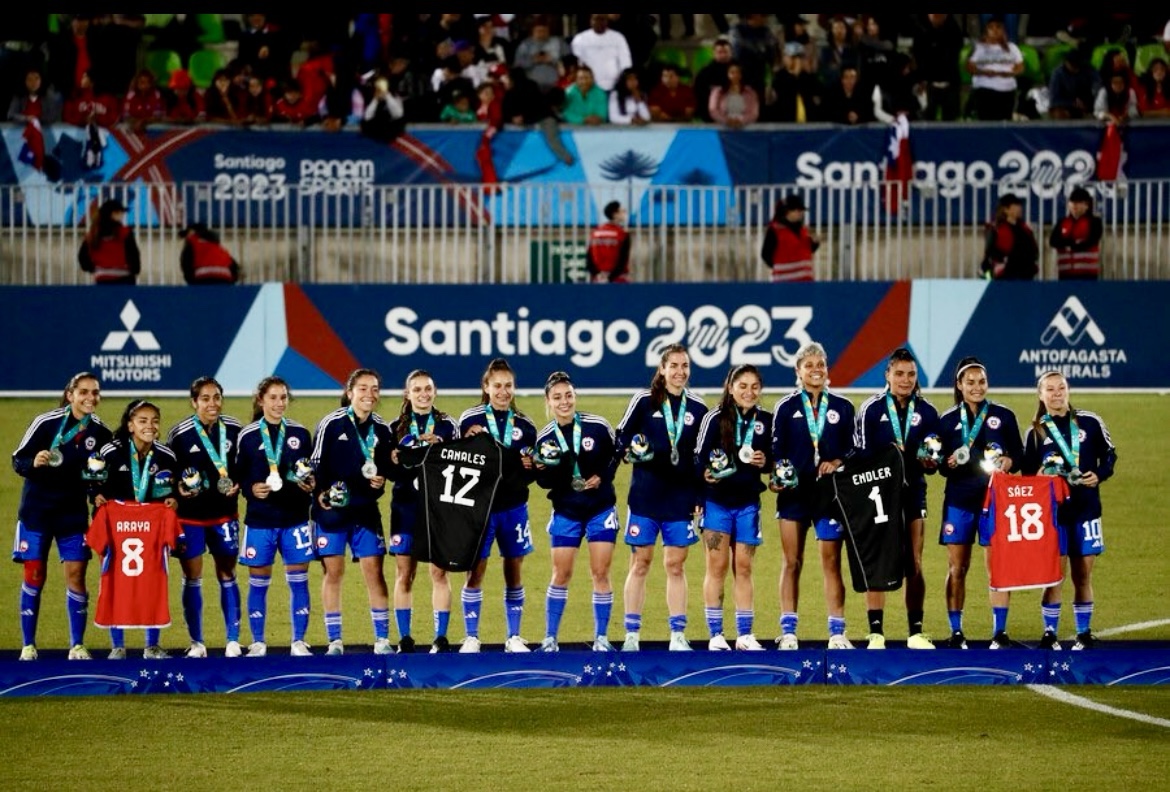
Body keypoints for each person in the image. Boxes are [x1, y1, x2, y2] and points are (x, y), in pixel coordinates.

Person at [11, 372, 112, 661]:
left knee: (77, 576)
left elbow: (97, 477)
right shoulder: (46, 422)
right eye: (84, 392)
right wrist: (34, 461)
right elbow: (17, 459)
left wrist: (96, 495)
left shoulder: (101, 433)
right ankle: (28, 645)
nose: (90, 398)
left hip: (72, 515)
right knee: (34, 574)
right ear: (70, 395)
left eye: (95, 392)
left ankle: (76, 645)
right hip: (36, 512)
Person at [615, 344, 708, 651]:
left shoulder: (698, 408)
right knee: (640, 562)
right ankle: (631, 635)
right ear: (662, 369)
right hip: (645, 496)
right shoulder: (644, 401)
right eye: (674, 366)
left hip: (680, 499)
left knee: (676, 565)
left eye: (685, 366)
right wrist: (629, 450)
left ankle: (678, 635)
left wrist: (699, 496)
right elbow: (621, 435)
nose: (680, 371)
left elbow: (702, 456)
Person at [852, 348, 941, 649]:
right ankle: (876, 631)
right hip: (879, 495)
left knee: (914, 560)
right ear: (887, 375)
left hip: (914, 491)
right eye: (900, 374)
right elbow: (859, 458)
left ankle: (915, 631)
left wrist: (931, 462)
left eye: (911, 374)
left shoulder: (928, 412)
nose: (905, 380)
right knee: (879, 559)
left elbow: (934, 456)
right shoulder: (871, 410)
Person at [1022, 370, 1117, 650]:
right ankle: (1049, 632)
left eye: (1060, 387)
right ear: (1040, 395)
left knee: (1083, 574)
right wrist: (1039, 475)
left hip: (1087, 509)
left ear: (1068, 390)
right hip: (1052, 514)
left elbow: (1110, 455)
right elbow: (1027, 474)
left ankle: (1083, 632)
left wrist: (1099, 474)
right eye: (1049, 389)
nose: (1056, 393)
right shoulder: (1036, 432)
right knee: (1053, 574)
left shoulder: (1091, 421)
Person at [770, 342, 856, 650]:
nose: (816, 370)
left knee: (831, 562)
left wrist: (838, 462)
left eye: (821, 364)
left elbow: (854, 449)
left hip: (829, 496)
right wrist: (778, 477)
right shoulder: (786, 407)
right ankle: (789, 631)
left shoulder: (843, 407)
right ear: (798, 371)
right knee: (791, 561)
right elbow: (775, 453)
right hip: (793, 495)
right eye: (809, 365)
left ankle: (837, 632)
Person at [936, 357, 1024, 648]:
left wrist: (1009, 461)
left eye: (981, 382)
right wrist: (947, 463)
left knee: (997, 567)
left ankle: (999, 633)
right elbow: (939, 466)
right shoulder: (947, 421)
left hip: (996, 501)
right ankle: (956, 631)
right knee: (957, 568)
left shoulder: (1004, 416)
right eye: (970, 382)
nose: (977, 387)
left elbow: (1020, 456)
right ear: (959, 386)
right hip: (959, 501)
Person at [533, 371, 621, 651]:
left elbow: (616, 453)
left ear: (575, 396)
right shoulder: (545, 438)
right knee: (561, 573)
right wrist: (543, 469)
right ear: (548, 401)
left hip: (600, 508)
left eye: (568, 395)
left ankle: (602, 638)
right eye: (557, 397)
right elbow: (543, 481)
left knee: (600, 572)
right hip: (567, 511)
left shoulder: (598, 426)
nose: (564, 402)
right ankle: (550, 638)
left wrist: (603, 477)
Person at [456, 359, 539, 653]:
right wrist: (465, 443)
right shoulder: (468, 421)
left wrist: (532, 466)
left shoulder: (527, 427)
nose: (503, 392)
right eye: (497, 386)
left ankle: (514, 636)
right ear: (486, 387)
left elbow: (534, 472)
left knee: (514, 568)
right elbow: (454, 464)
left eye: (508, 386)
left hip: (515, 508)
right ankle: (471, 636)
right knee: (476, 571)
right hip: (480, 510)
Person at [311, 368, 394, 656]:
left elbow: (386, 469)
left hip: (366, 512)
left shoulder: (382, 429)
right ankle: (334, 641)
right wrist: (320, 494)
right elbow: (316, 464)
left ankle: (382, 640)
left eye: (374, 389)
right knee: (333, 573)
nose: (369, 394)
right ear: (350, 392)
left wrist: (380, 480)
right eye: (362, 388)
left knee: (375, 573)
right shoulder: (331, 424)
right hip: (333, 511)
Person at [236, 376, 316, 657]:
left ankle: (298, 641)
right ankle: (258, 642)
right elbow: (238, 476)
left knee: (299, 581)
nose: (279, 403)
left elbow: (307, 472)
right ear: (261, 400)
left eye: (283, 397)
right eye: (273, 398)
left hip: (294, 519)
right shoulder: (247, 436)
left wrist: (309, 484)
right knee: (258, 582)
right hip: (260, 520)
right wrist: (250, 488)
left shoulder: (300, 434)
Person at [695, 364, 773, 651]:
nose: (749, 392)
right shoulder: (713, 419)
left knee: (744, 568)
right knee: (717, 567)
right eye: (743, 386)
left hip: (748, 505)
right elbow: (698, 458)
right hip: (716, 503)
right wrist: (704, 474)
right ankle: (716, 635)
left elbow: (777, 463)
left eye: (754, 387)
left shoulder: (766, 419)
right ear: (730, 388)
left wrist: (767, 463)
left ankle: (744, 635)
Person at [165, 377, 244, 658]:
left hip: (225, 516)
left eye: (217, 397)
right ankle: (197, 642)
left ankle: (233, 640)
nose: (213, 404)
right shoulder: (179, 434)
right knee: (192, 576)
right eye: (206, 398)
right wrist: (179, 489)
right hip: (190, 518)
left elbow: (246, 467)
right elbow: (165, 471)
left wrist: (240, 484)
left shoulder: (235, 429)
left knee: (227, 574)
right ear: (194, 402)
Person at [94, 398, 180, 658]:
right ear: (130, 425)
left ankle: (151, 645)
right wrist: (96, 497)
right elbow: (94, 481)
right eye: (143, 421)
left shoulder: (166, 456)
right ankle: (117, 645)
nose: (150, 426)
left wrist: (174, 498)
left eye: (154, 421)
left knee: (154, 584)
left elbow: (174, 490)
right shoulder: (110, 451)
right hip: (116, 529)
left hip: (151, 530)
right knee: (114, 582)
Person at [387, 370, 460, 653]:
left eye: (428, 389)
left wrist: (441, 448)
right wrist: (396, 456)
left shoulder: (447, 426)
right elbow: (388, 468)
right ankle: (405, 639)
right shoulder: (395, 427)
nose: (423, 394)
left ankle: (440, 638)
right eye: (417, 390)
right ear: (408, 394)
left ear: (435, 391)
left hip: (438, 508)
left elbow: (460, 464)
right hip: (405, 507)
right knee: (405, 574)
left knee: (439, 573)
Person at [966, 17, 1023, 121]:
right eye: (991, 28)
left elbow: (1020, 67)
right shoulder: (979, 47)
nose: (995, 30)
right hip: (984, 90)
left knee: (1005, 123)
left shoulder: (1013, 47)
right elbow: (969, 67)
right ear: (986, 31)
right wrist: (983, 72)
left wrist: (1008, 74)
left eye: (998, 27)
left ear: (1003, 31)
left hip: (1007, 90)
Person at [910, 14, 963, 121]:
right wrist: (922, 79)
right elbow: (918, 56)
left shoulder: (953, 28)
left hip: (949, 82)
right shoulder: (920, 28)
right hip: (927, 84)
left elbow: (953, 55)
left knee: (950, 123)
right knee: (926, 122)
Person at [78, 199, 140, 285]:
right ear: (112, 214)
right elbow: (133, 254)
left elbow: (82, 257)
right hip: (125, 278)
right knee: (125, 299)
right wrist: (135, 270)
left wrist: (92, 269)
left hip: (102, 278)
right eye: (120, 212)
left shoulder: (92, 234)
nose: (122, 215)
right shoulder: (125, 232)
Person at [760, 194, 819, 282]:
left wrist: (815, 244)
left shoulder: (804, 229)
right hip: (784, 283)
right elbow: (766, 254)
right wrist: (780, 268)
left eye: (802, 210)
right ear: (787, 211)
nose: (801, 213)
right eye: (798, 210)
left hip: (806, 282)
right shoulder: (775, 230)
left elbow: (804, 251)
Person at [1048, 187, 1104, 281]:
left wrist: (1067, 245)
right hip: (1065, 274)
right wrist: (1075, 243)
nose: (1074, 205)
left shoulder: (1094, 222)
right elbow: (1053, 241)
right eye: (1072, 202)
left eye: (1078, 202)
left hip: (1087, 274)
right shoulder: (1062, 222)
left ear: (1086, 205)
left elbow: (1091, 241)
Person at [981, 193, 1038, 280]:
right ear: (1006, 209)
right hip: (1005, 278)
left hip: (1026, 277)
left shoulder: (1026, 229)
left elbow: (1034, 252)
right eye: (1016, 205)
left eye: (1019, 205)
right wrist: (989, 277)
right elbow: (989, 255)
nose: (1020, 208)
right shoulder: (996, 229)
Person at [570, 14, 632, 93]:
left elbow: (626, 62)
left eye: (602, 19)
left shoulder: (618, 38)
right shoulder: (580, 39)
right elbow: (576, 64)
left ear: (607, 21)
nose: (599, 22)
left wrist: (622, 83)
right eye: (596, 19)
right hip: (588, 87)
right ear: (590, 21)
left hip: (614, 87)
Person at [585, 201, 630, 283]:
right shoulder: (622, 234)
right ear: (615, 214)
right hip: (618, 278)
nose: (625, 213)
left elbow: (589, 258)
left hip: (598, 278)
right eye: (622, 211)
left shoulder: (595, 233)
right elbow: (623, 259)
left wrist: (597, 274)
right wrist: (610, 277)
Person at [708, 61, 760, 128]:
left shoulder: (750, 93)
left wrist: (741, 120)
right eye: (732, 72)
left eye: (737, 72)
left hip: (745, 128)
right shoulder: (717, 92)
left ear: (741, 75)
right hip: (722, 127)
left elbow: (754, 113)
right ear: (727, 74)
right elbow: (713, 110)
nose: (735, 75)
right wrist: (726, 120)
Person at [694, 37, 732, 122]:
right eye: (719, 52)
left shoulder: (740, 71)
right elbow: (700, 98)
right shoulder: (704, 73)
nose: (723, 55)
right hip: (710, 117)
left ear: (731, 53)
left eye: (725, 52)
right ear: (714, 53)